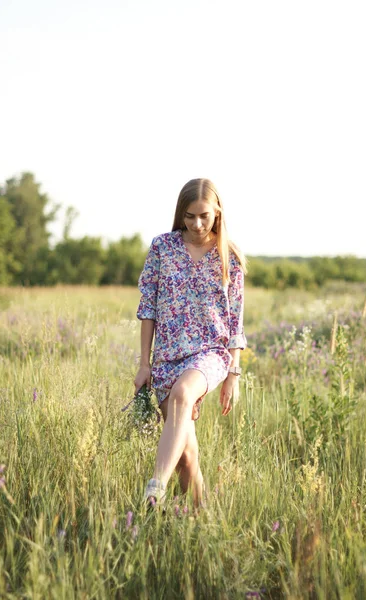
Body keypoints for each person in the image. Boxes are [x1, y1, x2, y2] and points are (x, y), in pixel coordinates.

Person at [134, 178, 247, 507]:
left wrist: (233, 375)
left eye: (204, 216)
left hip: (209, 355)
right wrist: (145, 364)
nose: (197, 224)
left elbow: (235, 320)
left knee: (184, 394)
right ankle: (203, 520)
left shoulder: (230, 257)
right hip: (167, 358)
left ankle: (155, 487)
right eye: (189, 216)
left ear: (218, 213)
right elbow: (148, 308)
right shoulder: (162, 248)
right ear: (180, 215)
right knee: (185, 454)